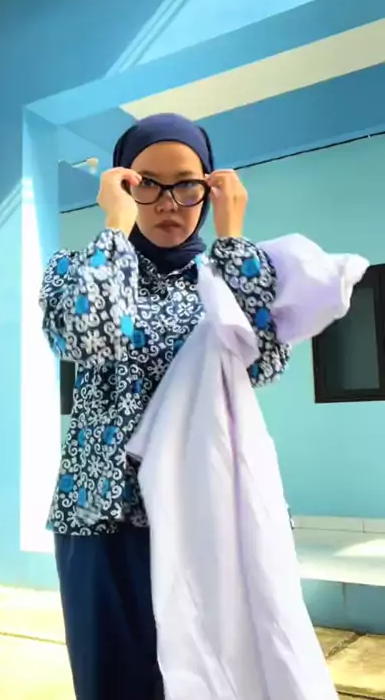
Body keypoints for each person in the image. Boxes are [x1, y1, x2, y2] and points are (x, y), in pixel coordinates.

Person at [39, 113, 291, 700]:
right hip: (100, 515)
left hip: (207, 513)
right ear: (121, 183)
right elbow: (88, 337)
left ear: (210, 186)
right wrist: (114, 229)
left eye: (186, 185)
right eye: (146, 183)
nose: (167, 203)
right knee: (111, 682)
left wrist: (233, 240)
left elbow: (264, 364)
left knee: (215, 682)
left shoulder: (228, 277)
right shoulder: (74, 270)